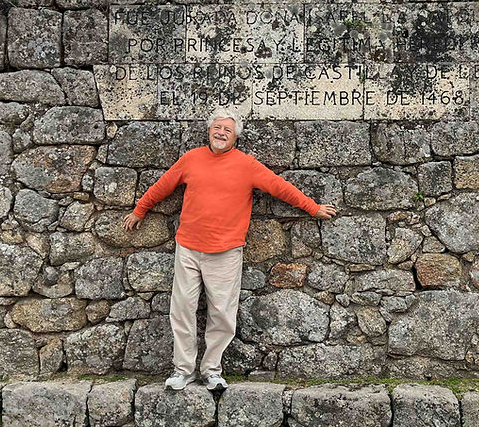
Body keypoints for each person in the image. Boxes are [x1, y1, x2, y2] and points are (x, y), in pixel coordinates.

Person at [123, 108, 337, 391]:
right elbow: (163, 186)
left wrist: (313, 208)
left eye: (227, 129)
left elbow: (280, 187)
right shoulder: (191, 159)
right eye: (217, 127)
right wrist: (140, 210)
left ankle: (211, 370)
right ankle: (183, 370)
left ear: (236, 136)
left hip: (226, 251)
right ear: (209, 130)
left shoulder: (247, 165)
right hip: (188, 247)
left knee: (222, 313)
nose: (221, 133)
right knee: (182, 310)